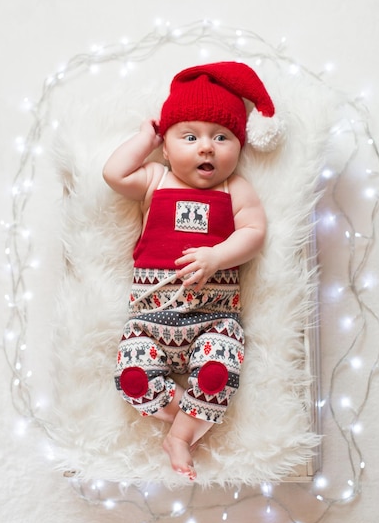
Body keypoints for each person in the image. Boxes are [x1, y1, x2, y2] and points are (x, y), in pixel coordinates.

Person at [103, 61, 279, 480]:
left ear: (239, 146)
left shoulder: (233, 188)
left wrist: (217, 256)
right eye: (190, 136)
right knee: (132, 379)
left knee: (218, 371)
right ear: (166, 147)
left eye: (222, 137)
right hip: (148, 322)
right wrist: (145, 137)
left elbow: (254, 231)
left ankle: (180, 436)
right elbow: (113, 173)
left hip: (213, 320)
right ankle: (192, 407)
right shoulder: (155, 180)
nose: (206, 147)